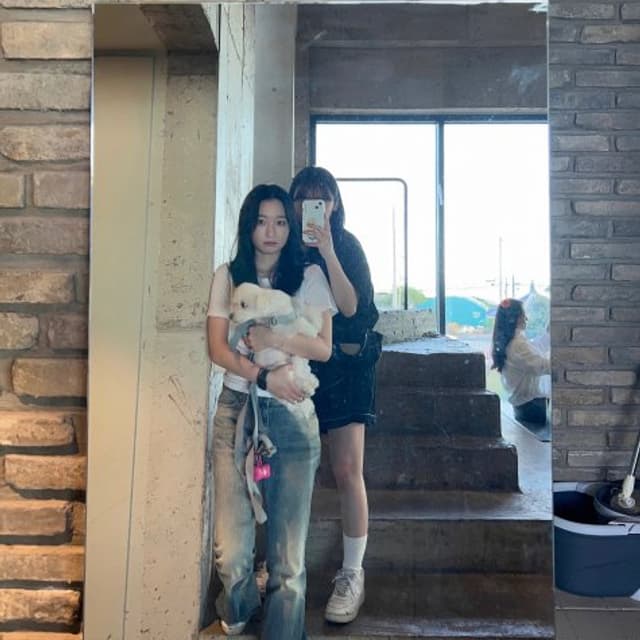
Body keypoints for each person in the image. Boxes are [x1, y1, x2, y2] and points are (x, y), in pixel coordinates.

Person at [207, 184, 336, 638]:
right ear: (248, 226)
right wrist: (264, 377)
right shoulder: (228, 277)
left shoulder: (309, 276)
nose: (271, 231)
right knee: (230, 550)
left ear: (291, 227)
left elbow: (323, 348)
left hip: (292, 416)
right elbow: (217, 349)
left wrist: (273, 339)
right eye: (261, 221)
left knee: (288, 558)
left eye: (280, 222)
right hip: (237, 410)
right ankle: (240, 605)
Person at [289, 166, 381, 624]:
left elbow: (351, 306)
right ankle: (280, 563)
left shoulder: (346, 245)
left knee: (347, 469)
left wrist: (327, 250)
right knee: (288, 469)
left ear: (335, 204)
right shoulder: (286, 245)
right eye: (304, 198)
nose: (314, 206)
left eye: (321, 199)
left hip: (347, 368)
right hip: (300, 364)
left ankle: (352, 573)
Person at [491, 298, 550, 425]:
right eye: (523, 315)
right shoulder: (517, 344)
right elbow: (538, 365)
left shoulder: (513, 342)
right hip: (532, 408)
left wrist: (549, 334)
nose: (526, 319)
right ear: (515, 318)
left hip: (526, 407)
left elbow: (536, 349)